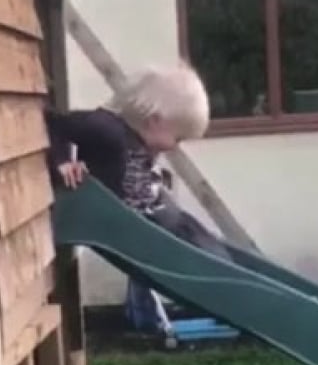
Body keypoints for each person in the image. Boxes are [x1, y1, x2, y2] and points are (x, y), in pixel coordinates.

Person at [45, 62, 231, 260]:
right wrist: (62, 161)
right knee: (197, 246)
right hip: (137, 230)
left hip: (156, 223)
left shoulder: (142, 143)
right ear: (155, 121)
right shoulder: (108, 131)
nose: (176, 146)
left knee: (199, 236)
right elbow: (56, 124)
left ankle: (224, 262)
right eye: (178, 138)